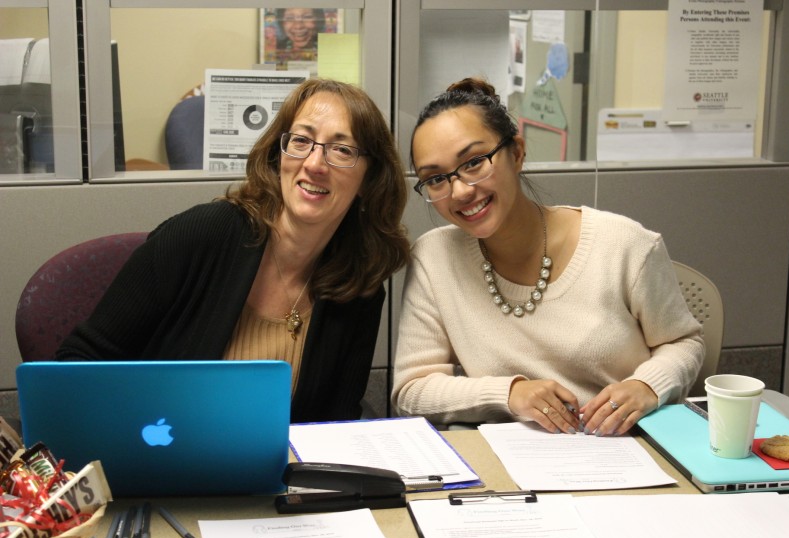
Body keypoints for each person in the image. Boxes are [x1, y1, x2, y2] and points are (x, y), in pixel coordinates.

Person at [56, 78, 410, 423]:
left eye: (342, 150)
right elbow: (77, 363)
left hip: (278, 479)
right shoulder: (202, 235)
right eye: (301, 141)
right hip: (156, 467)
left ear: (369, 179)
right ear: (277, 156)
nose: (315, 164)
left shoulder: (358, 286)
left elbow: (336, 424)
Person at [392, 77, 704, 437]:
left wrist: (647, 386)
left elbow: (684, 342)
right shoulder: (434, 258)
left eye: (475, 162)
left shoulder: (623, 244)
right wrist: (510, 393)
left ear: (517, 153)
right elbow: (412, 390)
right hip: (510, 462)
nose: (460, 190)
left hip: (624, 448)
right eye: (436, 179)